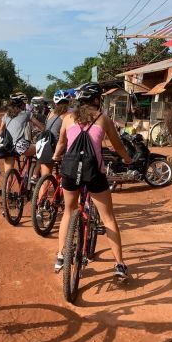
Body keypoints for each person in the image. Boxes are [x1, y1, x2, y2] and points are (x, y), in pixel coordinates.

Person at [52, 83, 132, 280]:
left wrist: (55, 157)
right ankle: (119, 264)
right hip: (94, 173)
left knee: (68, 212)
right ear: (97, 100)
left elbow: (62, 143)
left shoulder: (68, 118)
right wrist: (128, 159)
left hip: (70, 171)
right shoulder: (103, 119)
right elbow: (117, 145)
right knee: (108, 218)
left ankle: (61, 256)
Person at [0, 93, 44, 172]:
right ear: (21, 104)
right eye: (24, 103)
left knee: (8, 172)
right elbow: (41, 127)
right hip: (20, 147)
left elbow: (1, 130)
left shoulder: (6, 115)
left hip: (7, 146)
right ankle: (35, 175)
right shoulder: (27, 114)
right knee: (43, 148)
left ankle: (7, 184)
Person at [36, 90, 72, 178]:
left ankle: (35, 176)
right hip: (60, 149)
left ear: (55, 103)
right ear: (68, 102)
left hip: (46, 146)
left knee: (45, 178)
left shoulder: (50, 113)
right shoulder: (69, 115)